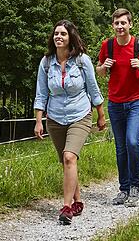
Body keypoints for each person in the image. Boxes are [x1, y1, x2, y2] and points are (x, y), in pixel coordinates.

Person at [34, 19, 106, 225]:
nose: (59, 37)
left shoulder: (82, 61)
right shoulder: (46, 63)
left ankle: (66, 208)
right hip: (55, 118)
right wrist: (39, 121)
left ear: (70, 37)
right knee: (66, 162)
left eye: (63, 34)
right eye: (56, 33)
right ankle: (78, 201)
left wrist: (100, 115)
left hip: (80, 115)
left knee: (69, 157)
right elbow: (41, 93)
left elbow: (93, 89)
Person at [96, 8, 139, 207]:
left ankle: (135, 187)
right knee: (120, 147)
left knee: (132, 142)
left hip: (136, 101)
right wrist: (104, 66)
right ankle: (123, 189)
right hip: (115, 102)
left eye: (123, 23)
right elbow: (99, 72)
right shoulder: (107, 46)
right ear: (113, 25)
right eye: (117, 23)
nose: (120, 27)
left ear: (130, 24)